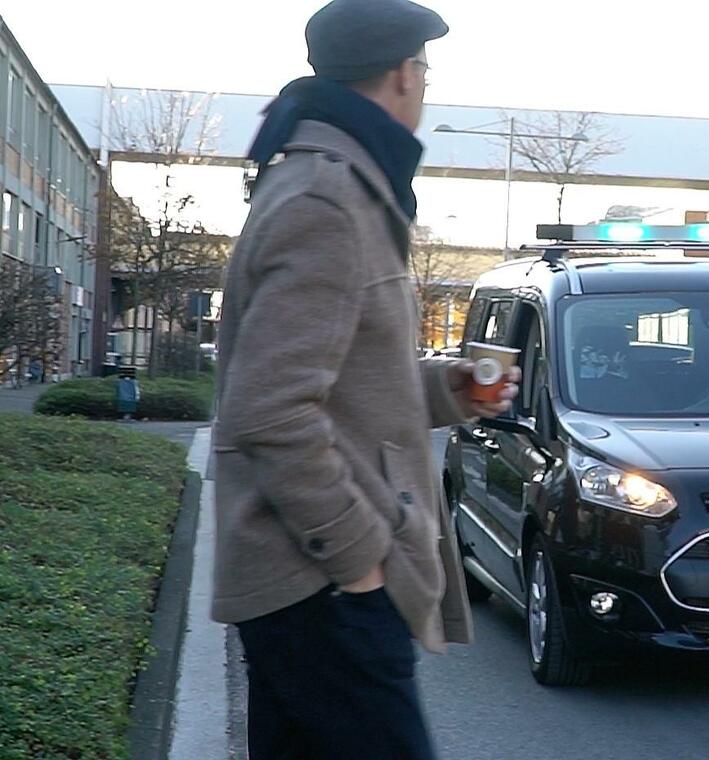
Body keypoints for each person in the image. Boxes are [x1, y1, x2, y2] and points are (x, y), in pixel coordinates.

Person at [211, 2, 517, 758]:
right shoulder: (328, 200)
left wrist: (444, 390)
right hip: (319, 585)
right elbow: (270, 410)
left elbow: (334, 378)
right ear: (404, 74)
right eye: (426, 73)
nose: (425, 88)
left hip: (310, 584)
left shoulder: (328, 183)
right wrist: (359, 561)